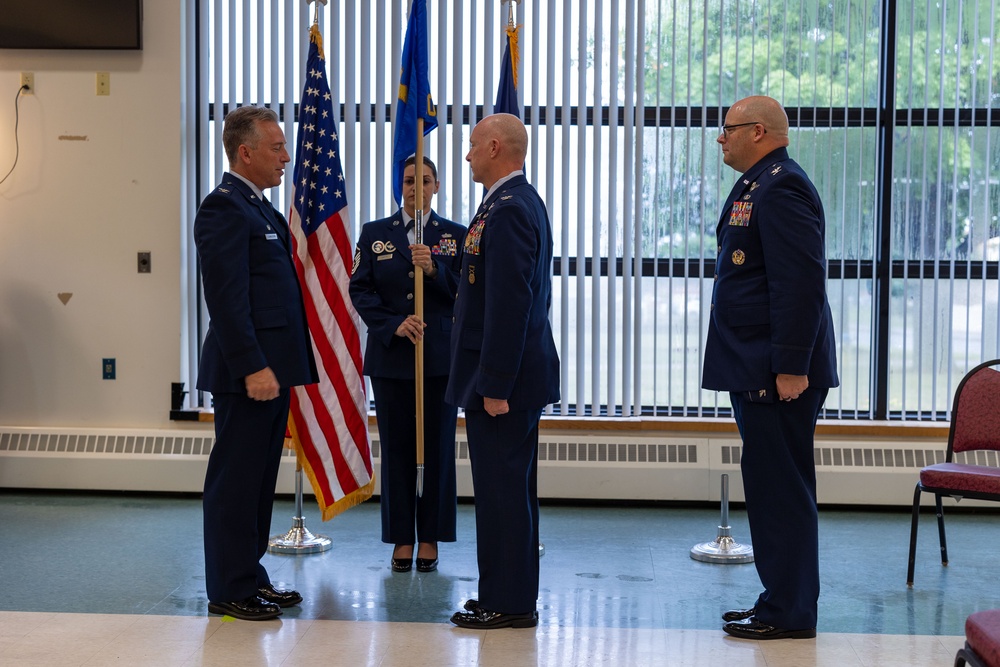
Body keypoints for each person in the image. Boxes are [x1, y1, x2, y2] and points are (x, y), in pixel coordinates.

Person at [703, 95, 839, 640]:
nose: (720, 138)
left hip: (774, 370)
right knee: (770, 486)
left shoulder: (781, 185)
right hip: (756, 363)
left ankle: (790, 612)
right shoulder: (760, 181)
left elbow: (800, 284)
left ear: (759, 131)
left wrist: (790, 366)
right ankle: (778, 599)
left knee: (781, 490)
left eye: (728, 129)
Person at [194, 105, 319, 621]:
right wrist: (252, 367)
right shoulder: (223, 207)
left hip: (272, 370)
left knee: (257, 480)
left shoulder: (261, 209)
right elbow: (226, 299)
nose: (286, 157)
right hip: (248, 374)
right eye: (276, 148)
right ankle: (228, 587)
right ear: (244, 152)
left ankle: (250, 574)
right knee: (236, 482)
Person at [446, 113, 560, 630]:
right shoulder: (506, 203)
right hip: (504, 377)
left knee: (504, 495)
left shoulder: (510, 209)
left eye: (472, 146)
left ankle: (510, 603)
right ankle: (502, 592)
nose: (467, 155)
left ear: (495, 147)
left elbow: (511, 305)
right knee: (503, 492)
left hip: (504, 383)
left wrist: (494, 383)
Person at [349, 155, 466, 573]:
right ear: (401, 185)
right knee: (397, 449)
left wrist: (434, 270)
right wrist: (393, 324)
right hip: (393, 357)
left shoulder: (454, 235)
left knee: (436, 450)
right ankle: (401, 537)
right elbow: (359, 289)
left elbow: (467, 294)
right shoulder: (376, 233)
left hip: (438, 359)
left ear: (437, 186)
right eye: (409, 180)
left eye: (426, 180)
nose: (417, 187)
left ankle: (431, 536)